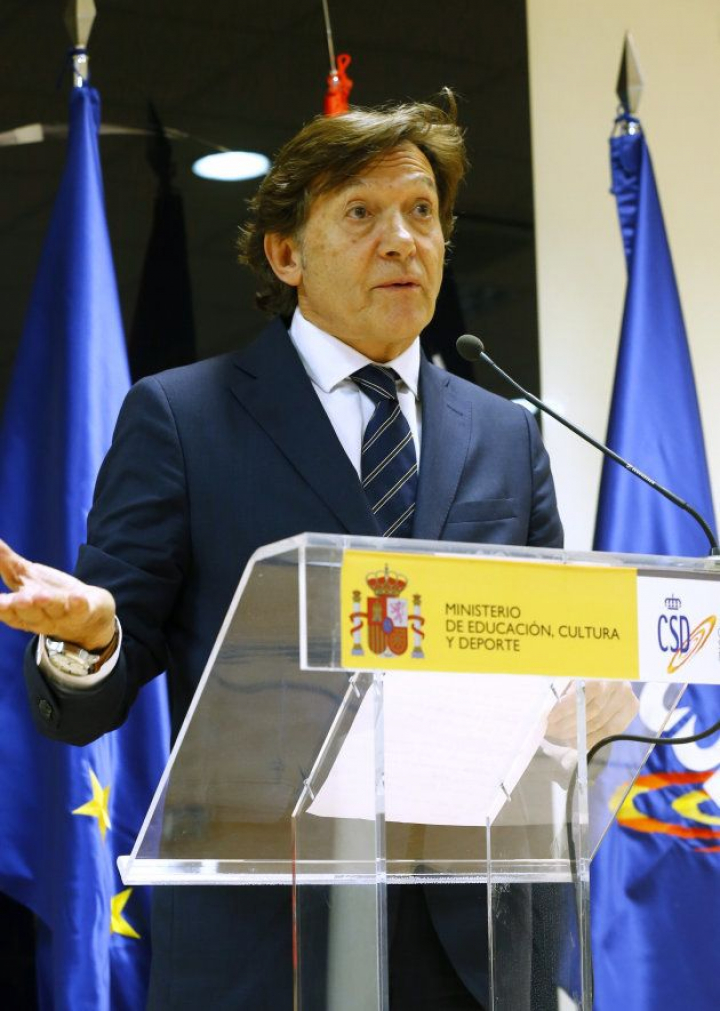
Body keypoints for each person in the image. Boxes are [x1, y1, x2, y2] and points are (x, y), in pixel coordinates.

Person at [0, 93, 635, 1009]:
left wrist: (586, 694)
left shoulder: (506, 432)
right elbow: (94, 692)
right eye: (362, 213)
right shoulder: (182, 418)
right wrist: (90, 640)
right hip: (269, 944)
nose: (402, 239)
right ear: (286, 255)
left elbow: (542, 655)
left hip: (481, 946)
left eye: (422, 212)